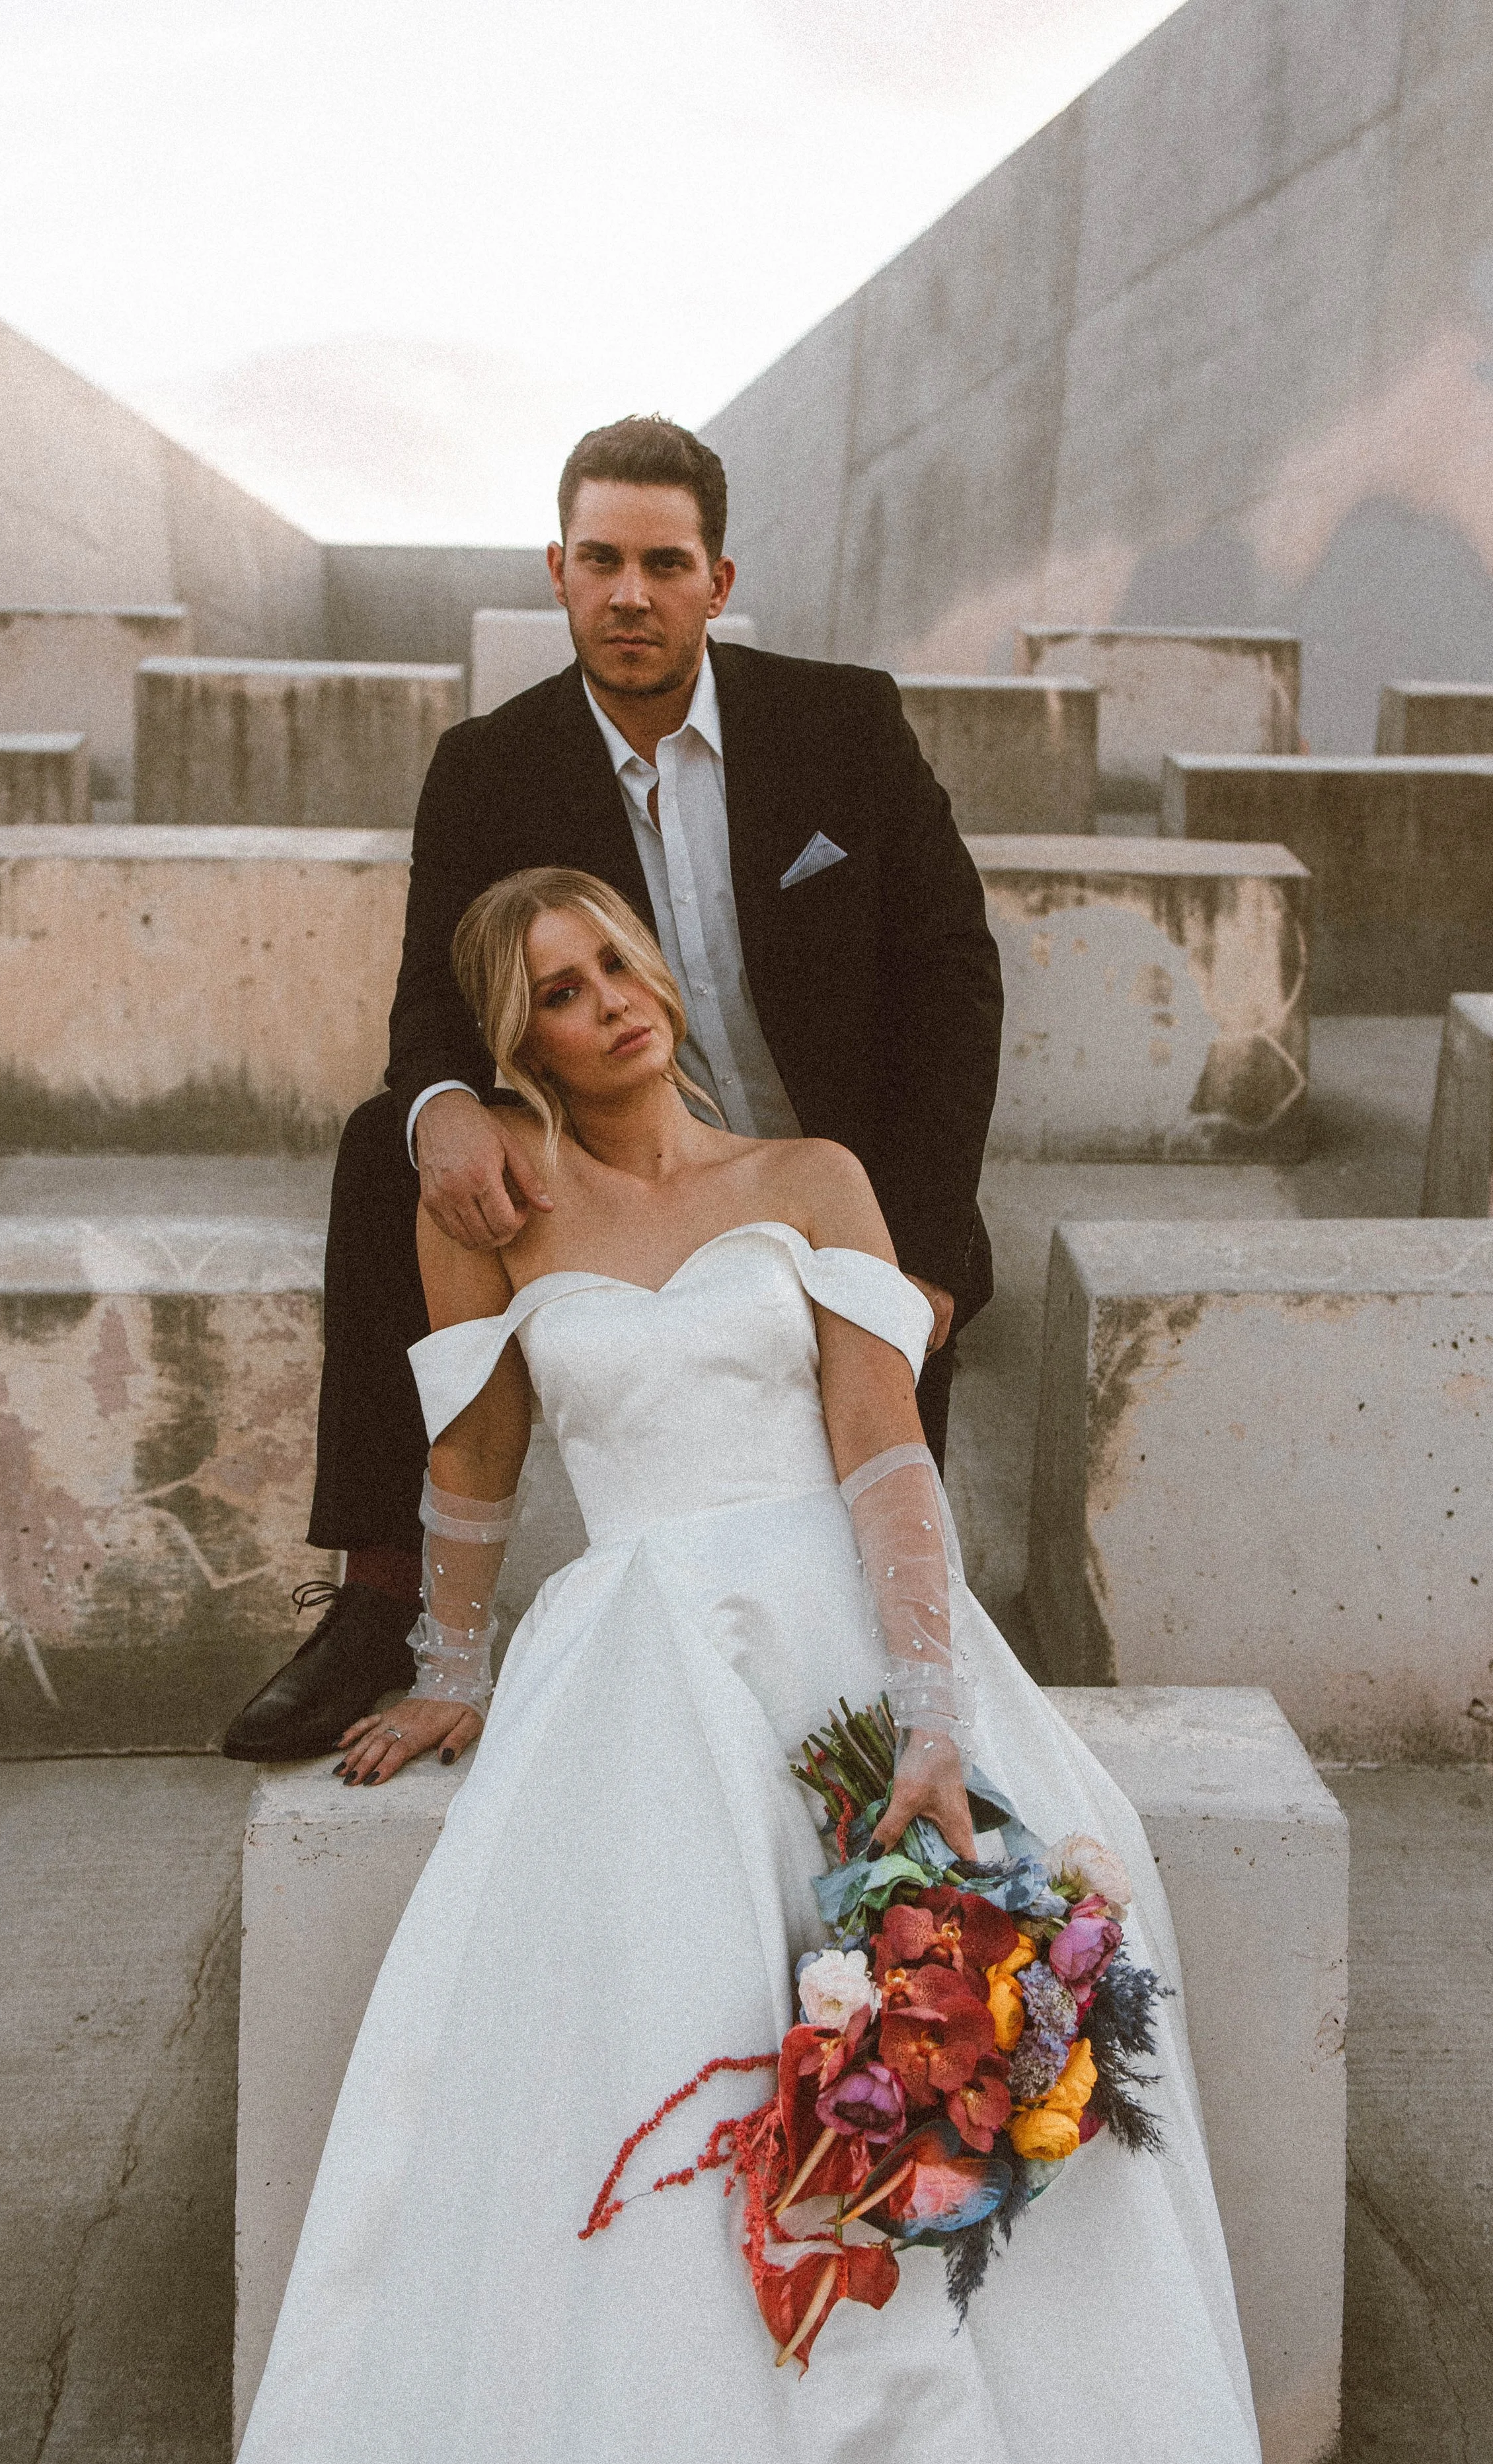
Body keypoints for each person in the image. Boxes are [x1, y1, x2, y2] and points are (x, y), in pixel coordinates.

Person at [236, 870, 1260, 2464]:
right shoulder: (496, 1211)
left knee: (948, 1979)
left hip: (836, 1619)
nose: (606, 1003)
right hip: (634, 1647)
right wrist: (448, 1659)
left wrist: (930, 1708)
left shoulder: (810, 1175)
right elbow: (476, 1458)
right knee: (652, 2008)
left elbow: (881, 1449)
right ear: (526, 1047)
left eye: (614, 964)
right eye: (559, 995)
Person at [223, 412, 1004, 1764]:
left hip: (826, 1184)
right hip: (615, 1164)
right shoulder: (488, 765)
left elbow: (952, 983)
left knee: (873, 1605)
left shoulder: (841, 722)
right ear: (557, 569)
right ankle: (380, 1599)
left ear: (718, 580)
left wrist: (921, 1255)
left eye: (661, 561)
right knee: (380, 1148)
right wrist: (443, 1106)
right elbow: (429, 995)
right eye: (599, 560)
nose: (628, 594)